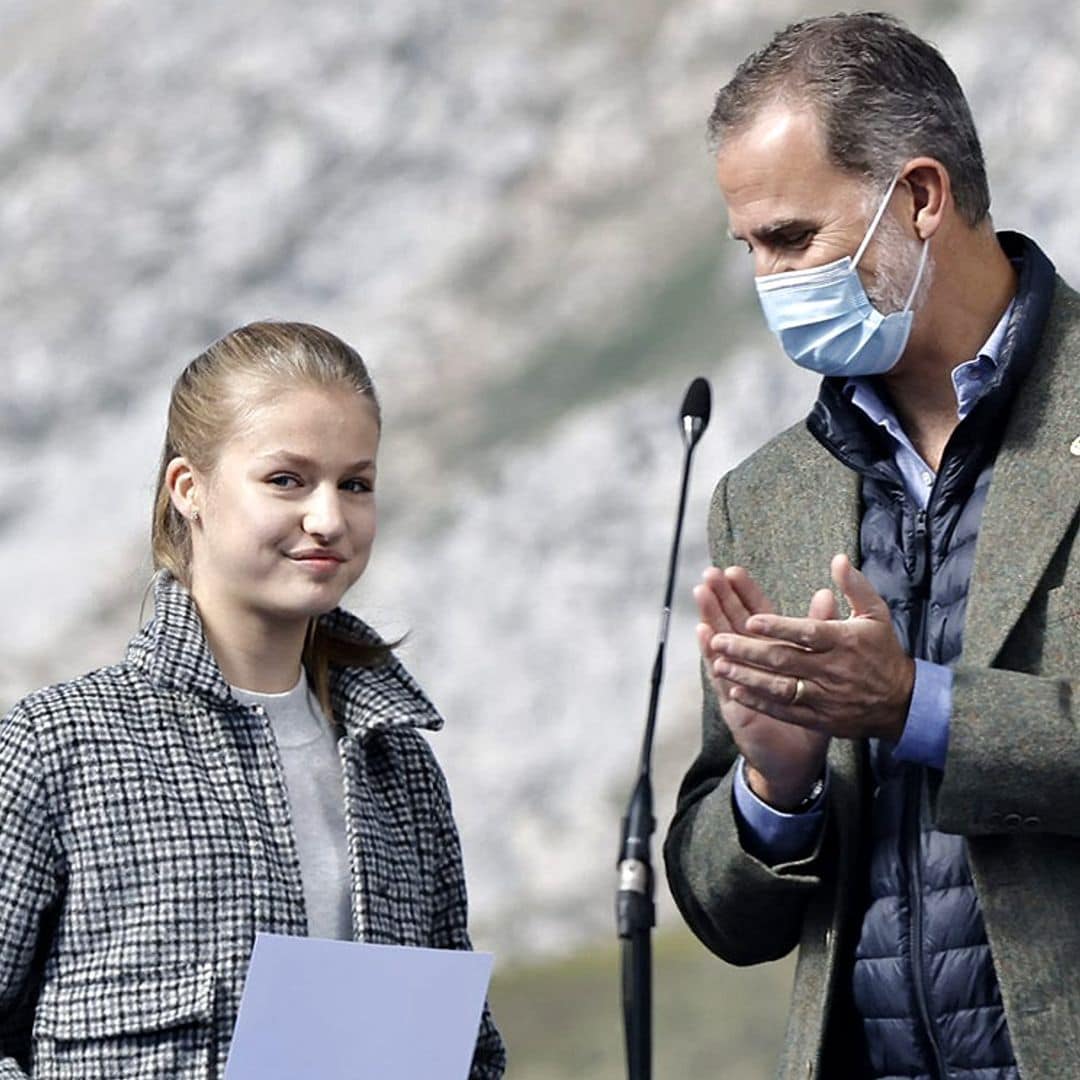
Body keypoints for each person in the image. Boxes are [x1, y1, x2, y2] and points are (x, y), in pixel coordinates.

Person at [663, 13, 1078, 1080]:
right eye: (750, 247)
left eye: (792, 239)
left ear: (923, 197)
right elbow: (726, 913)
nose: (768, 280)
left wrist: (917, 706)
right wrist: (774, 786)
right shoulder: (766, 497)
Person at [0, 322, 506, 1078]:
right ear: (189, 489)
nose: (329, 518)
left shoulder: (399, 771)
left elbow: (469, 1058)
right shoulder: (57, 747)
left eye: (356, 484)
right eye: (286, 480)